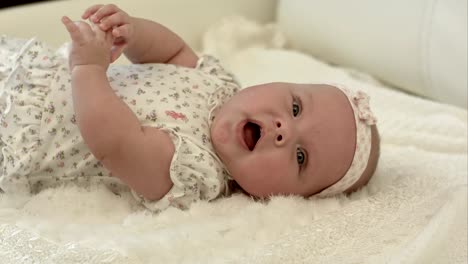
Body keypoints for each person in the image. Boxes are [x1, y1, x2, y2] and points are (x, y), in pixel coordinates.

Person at [0, 4, 380, 213]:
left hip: (19, 130)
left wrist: (88, 69)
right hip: (32, 70)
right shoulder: (220, 85)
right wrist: (134, 32)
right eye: (295, 107)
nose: (284, 130)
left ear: (277, 198)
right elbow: (172, 52)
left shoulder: (194, 172)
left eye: (300, 156)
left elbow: (116, 144)